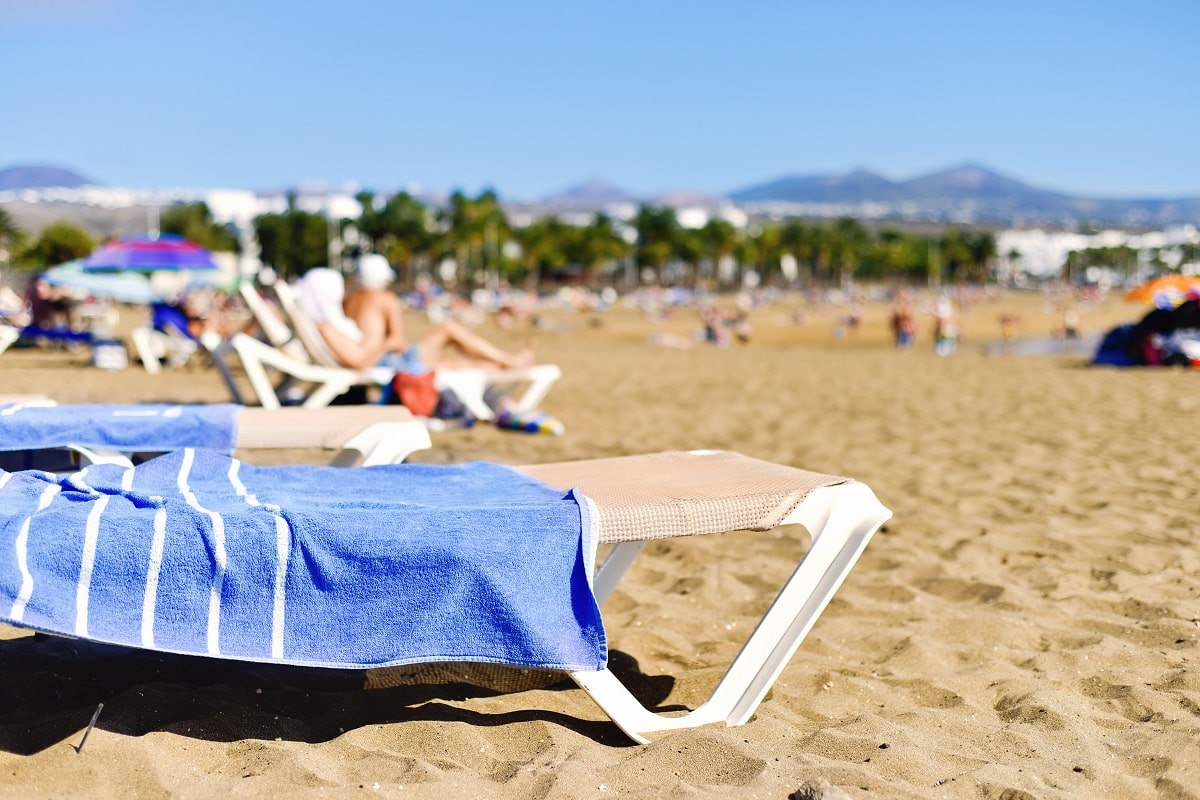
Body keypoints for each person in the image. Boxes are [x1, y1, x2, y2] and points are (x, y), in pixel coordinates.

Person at [295, 259, 534, 375]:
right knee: (450, 333)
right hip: (385, 361)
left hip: (379, 359)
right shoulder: (385, 298)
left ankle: (507, 362)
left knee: (451, 360)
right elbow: (396, 340)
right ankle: (509, 362)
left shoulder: (348, 299)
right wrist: (387, 344)